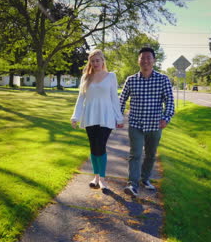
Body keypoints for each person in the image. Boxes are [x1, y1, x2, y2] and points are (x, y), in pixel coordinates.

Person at [119, 47, 175, 197]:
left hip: (155, 125)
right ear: (138, 60)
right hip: (136, 124)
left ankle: (145, 179)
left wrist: (166, 117)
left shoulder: (163, 79)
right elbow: (122, 99)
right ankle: (132, 184)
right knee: (135, 154)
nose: (145, 61)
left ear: (154, 60)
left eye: (148, 58)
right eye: (142, 58)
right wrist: (118, 117)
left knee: (150, 155)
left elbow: (169, 101)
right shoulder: (131, 80)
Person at [71, 49, 124, 191]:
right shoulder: (85, 78)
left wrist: (119, 117)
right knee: (93, 147)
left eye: (97, 60)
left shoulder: (111, 76)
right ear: (90, 62)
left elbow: (114, 98)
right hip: (90, 115)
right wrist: (75, 116)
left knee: (101, 145)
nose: (95, 63)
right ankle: (96, 177)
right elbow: (80, 98)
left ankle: (103, 179)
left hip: (106, 116)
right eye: (92, 61)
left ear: (102, 61)